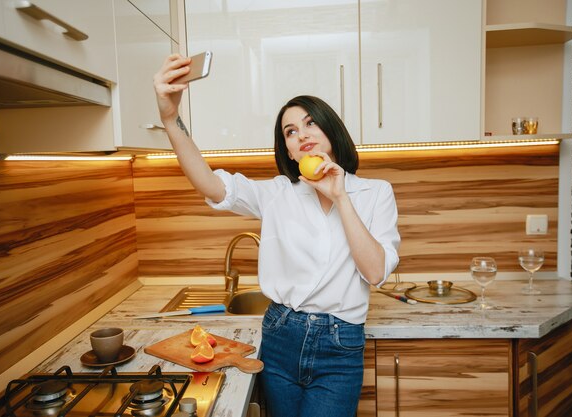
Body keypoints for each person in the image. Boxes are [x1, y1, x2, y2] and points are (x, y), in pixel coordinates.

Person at [153, 54, 400, 417]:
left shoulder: (376, 193)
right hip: (281, 335)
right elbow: (210, 183)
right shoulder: (277, 193)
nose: (302, 135)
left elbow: (375, 272)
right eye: (290, 132)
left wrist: (341, 196)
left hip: (340, 345)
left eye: (310, 123)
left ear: (331, 130)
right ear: (287, 149)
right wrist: (170, 118)